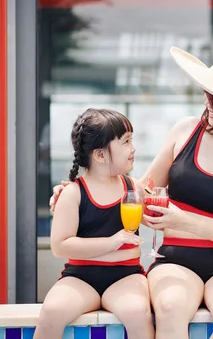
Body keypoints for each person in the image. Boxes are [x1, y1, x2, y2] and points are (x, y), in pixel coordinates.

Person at [49, 47, 213, 339]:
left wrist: (183, 221)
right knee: (170, 308)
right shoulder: (184, 131)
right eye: (207, 92)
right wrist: (76, 193)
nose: (206, 101)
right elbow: (139, 192)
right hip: (175, 260)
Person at [37, 108, 154, 339]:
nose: (133, 148)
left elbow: (154, 218)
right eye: (126, 141)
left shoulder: (133, 188)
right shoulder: (73, 193)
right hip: (81, 276)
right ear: (100, 155)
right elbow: (60, 246)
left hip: (126, 274)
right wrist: (112, 242)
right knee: (51, 312)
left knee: (138, 313)